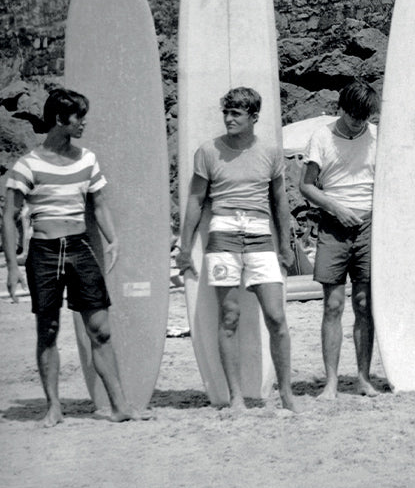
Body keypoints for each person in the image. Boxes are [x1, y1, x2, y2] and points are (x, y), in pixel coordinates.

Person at [2, 88, 149, 425]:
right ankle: (54, 406)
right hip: (44, 251)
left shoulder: (87, 159)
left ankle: (119, 406)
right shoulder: (28, 164)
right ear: (59, 119)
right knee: (48, 329)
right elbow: (9, 218)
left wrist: (113, 241)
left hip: (80, 248)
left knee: (101, 330)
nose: (84, 123)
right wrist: (12, 266)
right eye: (78, 117)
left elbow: (98, 204)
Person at [176, 87, 296, 412]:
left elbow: (280, 201)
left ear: (254, 117)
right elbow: (195, 200)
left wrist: (286, 245)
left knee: (276, 316)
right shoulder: (208, 151)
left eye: (236, 114)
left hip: (259, 236)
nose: (229, 119)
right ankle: (236, 397)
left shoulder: (270, 153)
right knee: (230, 316)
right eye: (226, 113)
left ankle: (285, 393)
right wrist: (184, 247)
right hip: (223, 237)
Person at [298, 79, 381, 398]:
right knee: (332, 305)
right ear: (341, 108)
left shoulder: (377, 136)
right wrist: (335, 206)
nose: (359, 122)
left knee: (364, 304)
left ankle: (363, 377)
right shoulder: (322, 136)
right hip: (333, 224)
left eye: (365, 117)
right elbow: (307, 185)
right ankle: (331, 382)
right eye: (353, 115)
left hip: (370, 225)